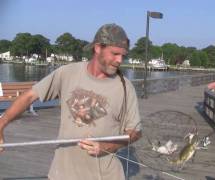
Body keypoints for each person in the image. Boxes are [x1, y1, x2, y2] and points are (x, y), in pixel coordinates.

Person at [0, 23, 141, 180]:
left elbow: (134, 132)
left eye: (123, 55)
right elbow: (29, 97)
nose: (119, 60)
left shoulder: (125, 88)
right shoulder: (67, 73)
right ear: (97, 48)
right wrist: (1, 123)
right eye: (114, 54)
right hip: (61, 174)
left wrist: (108, 147)